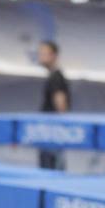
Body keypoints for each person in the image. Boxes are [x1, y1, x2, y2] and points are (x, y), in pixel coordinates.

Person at [37, 40, 70, 170]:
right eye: (40, 53)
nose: (41, 57)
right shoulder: (53, 76)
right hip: (49, 132)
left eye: (44, 53)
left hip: (52, 133)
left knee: (52, 170)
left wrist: (59, 130)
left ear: (54, 55)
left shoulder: (56, 78)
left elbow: (61, 106)